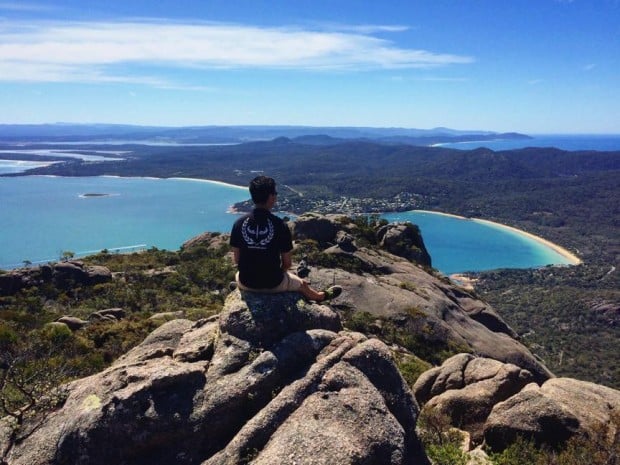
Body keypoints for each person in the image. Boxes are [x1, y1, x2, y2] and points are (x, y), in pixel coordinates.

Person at [230, 176, 341, 302]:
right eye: (275, 193)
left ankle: (240, 288)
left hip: (246, 282)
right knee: (302, 284)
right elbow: (287, 264)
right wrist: (280, 274)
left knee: (238, 275)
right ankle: (321, 296)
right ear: (271, 197)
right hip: (273, 284)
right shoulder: (279, 225)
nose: (276, 196)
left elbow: (237, 260)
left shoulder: (238, 223)